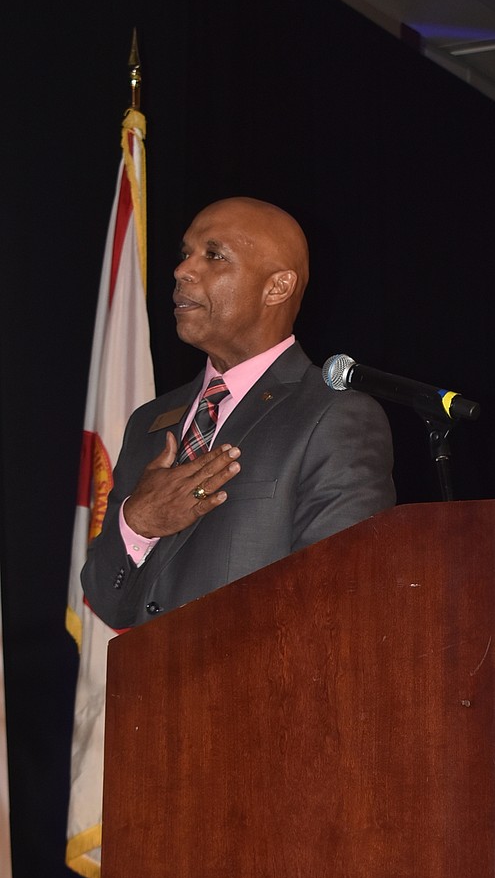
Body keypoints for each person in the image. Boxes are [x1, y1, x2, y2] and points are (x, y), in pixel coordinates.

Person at [82, 196, 395, 628]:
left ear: (277, 287)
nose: (182, 270)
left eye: (213, 255)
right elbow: (107, 601)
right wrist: (139, 522)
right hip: (148, 692)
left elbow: (338, 601)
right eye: (186, 254)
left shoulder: (333, 415)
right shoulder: (150, 421)